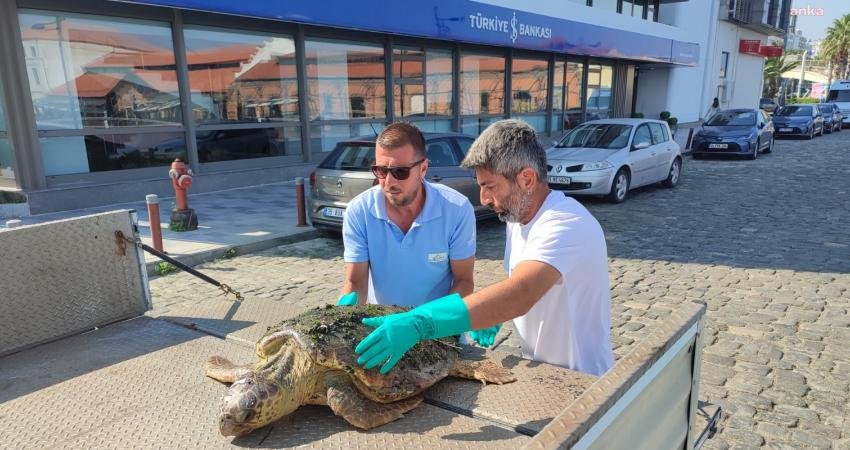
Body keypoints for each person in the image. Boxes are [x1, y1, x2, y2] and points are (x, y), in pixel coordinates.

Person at [353, 119, 614, 376]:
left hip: (584, 378)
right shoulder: (518, 220)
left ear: (526, 179)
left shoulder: (566, 223)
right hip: (546, 372)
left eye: (490, 186)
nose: (484, 199)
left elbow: (521, 293)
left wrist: (420, 323)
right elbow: (524, 284)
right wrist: (492, 313)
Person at [335, 122, 477, 312]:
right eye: (381, 170)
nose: (388, 182)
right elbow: (356, 283)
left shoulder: (456, 209)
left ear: (423, 168)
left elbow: (464, 281)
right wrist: (342, 318)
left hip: (438, 327)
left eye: (400, 171)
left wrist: (428, 324)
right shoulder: (359, 211)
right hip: (383, 327)